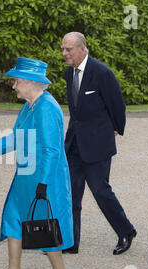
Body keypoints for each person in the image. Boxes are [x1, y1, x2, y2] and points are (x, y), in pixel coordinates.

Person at [0, 57, 74, 269]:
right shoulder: (29, 106)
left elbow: (52, 150)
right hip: (26, 175)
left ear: (30, 82)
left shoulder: (47, 108)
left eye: (17, 81)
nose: (14, 85)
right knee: (13, 218)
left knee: (46, 226)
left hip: (44, 179)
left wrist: (44, 184)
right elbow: (17, 138)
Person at [61, 32, 137, 255]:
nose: (64, 53)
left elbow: (117, 105)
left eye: (69, 49)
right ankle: (70, 242)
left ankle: (126, 231)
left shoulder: (102, 72)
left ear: (82, 49)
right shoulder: (69, 73)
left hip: (97, 145)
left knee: (101, 191)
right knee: (71, 194)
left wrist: (116, 128)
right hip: (74, 144)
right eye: (63, 49)